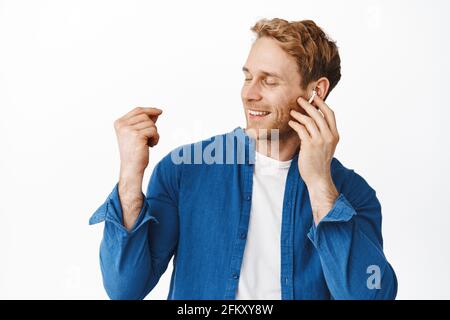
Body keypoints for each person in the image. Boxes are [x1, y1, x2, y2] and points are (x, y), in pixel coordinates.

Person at [89, 18, 397, 300]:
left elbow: (370, 295)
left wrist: (319, 186)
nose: (249, 93)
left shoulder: (352, 194)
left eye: (269, 80)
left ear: (316, 92)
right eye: (248, 77)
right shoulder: (184, 171)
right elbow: (124, 288)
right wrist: (130, 175)